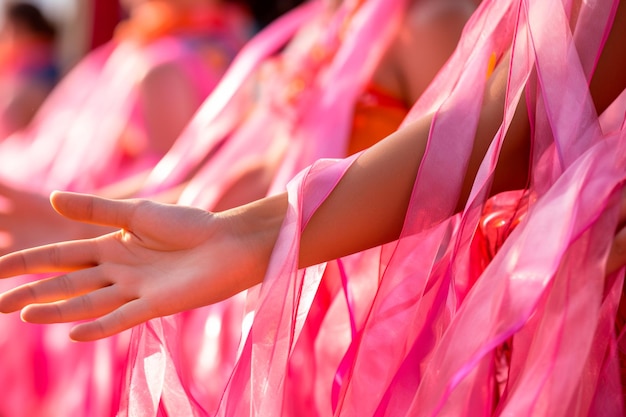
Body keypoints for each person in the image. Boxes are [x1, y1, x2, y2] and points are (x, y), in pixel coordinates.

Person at [3, 0, 626, 415]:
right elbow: (260, 167)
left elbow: (495, 150)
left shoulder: (436, 22)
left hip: (364, 330)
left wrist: (255, 240)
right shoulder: (333, 25)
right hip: (287, 314)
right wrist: (191, 226)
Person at [0, 2, 59, 139]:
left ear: (21, 29)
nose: (3, 35)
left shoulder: (35, 77)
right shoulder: (18, 70)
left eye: (7, 29)